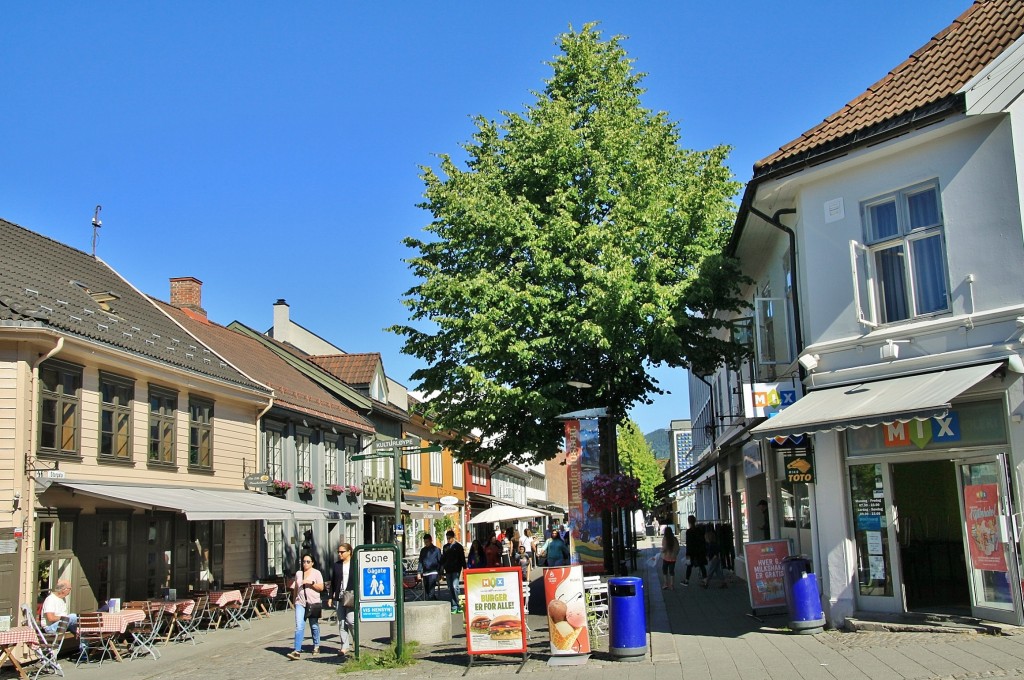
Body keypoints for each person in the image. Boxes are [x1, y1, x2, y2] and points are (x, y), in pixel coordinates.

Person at [288, 552, 324, 660]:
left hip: (313, 602)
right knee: (299, 626)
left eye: (308, 562)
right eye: (304, 562)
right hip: (300, 602)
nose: (305, 564)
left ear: (312, 563)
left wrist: (311, 583)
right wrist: (294, 600)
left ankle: (316, 645)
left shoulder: (316, 573)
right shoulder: (299, 573)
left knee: (313, 625)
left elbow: (321, 588)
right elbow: (296, 588)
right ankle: (297, 650)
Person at [327, 543, 354, 658]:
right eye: (338, 552)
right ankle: (344, 646)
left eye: (342, 552)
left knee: (351, 620)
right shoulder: (337, 565)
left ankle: (356, 640)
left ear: (349, 552)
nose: (339, 554)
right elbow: (333, 582)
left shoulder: (355, 564)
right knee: (342, 622)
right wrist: (330, 597)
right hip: (340, 596)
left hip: (352, 595)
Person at [441, 530, 466, 613]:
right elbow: (443, 558)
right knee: (450, 587)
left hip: (456, 569)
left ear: (453, 537)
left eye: (449, 538)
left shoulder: (458, 546)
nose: (448, 540)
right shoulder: (445, 547)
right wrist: (442, 568)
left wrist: (465, 568)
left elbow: (462, 558)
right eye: (447, 538)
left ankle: (459, 604)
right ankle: (454, 605)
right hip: (448, 569)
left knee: (455, 586)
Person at [682, 515, 707, 586]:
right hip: (700, 550)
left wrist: (687, 554)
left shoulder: (689, 532)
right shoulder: (699, 530)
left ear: (689, 521)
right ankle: (705, 580)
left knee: (689, 566)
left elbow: (688, 544)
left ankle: (686, 580)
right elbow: (703, 541)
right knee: (702, 565)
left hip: (692, 551)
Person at [418, 533, 443, 600]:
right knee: (427, 590)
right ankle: (435, 601)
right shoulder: (423, 550)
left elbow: (440, 562)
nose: (426, 543)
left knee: (431, 590)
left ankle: (431, 604)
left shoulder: (436, 550)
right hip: (425, 573)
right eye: (425, 542)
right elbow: (420, 561)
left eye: (427, 542)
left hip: (433, 572)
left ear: (431, 540)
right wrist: (419, 572)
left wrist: (440, 573)